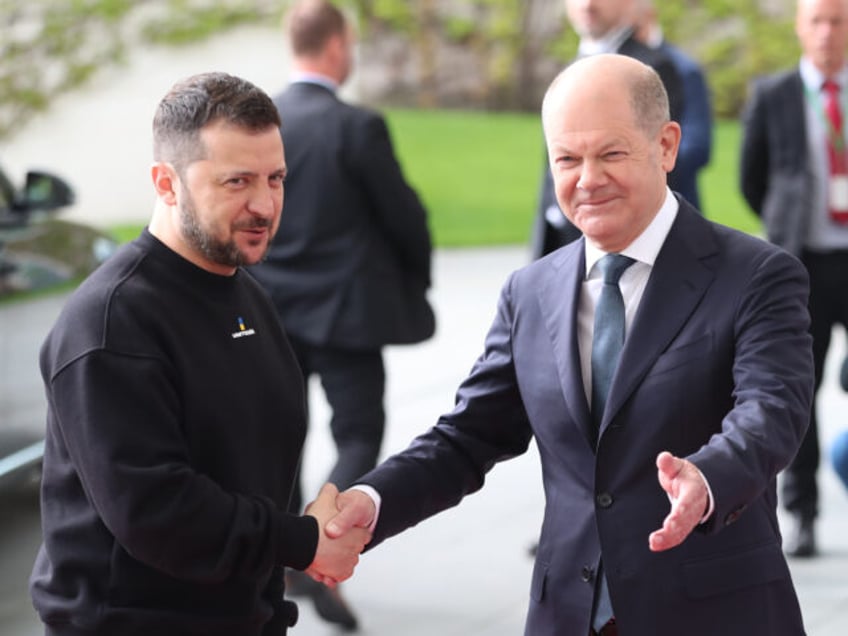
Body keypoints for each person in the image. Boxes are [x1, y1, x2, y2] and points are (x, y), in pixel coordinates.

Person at [310, 54, 814, 635]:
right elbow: (466, 438)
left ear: (667, 146)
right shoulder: (531, 292)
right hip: (568, 616)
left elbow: (772, 410)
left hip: (715, 612)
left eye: (611, 153)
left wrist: (705, 480)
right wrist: (370, 502)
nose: (587, 179)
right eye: (567, 160)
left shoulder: (756, 274)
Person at [28, 71, 370, 636]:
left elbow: (262, 474)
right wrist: (301, 543)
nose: (264, 204)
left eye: (276, 178)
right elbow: (156, 512)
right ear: (166, 183)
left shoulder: (248, 295)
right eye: (236, 182)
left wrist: (272, 612)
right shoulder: (112, 321)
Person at [248, 0, 433, 629]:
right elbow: (403, 214)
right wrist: (416, 277)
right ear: (335, 47)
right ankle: (310, 550)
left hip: (269, 310)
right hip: (348, 316)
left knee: (278, 444)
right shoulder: (356, 126)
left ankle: (282, 559)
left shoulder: (259, 123)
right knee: (358, 434)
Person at [739, 0, 848, 558]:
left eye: (839, 21)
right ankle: (802, 514)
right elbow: (751, 179)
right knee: (798, 394)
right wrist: (782, 230)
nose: (828, 32)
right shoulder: (774, 93)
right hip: (801, 264)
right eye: (818, 21)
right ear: (802, 28)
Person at [531, 0, 685, 259]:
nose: (587, 4)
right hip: (561, 243)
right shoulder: (568, 66)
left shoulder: (651, 68)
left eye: (611, 153)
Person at [632, 0, 713, 210]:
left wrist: (637, 165)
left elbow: (696, 146)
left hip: (674, 204)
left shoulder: (683, 69)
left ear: (647, 15)